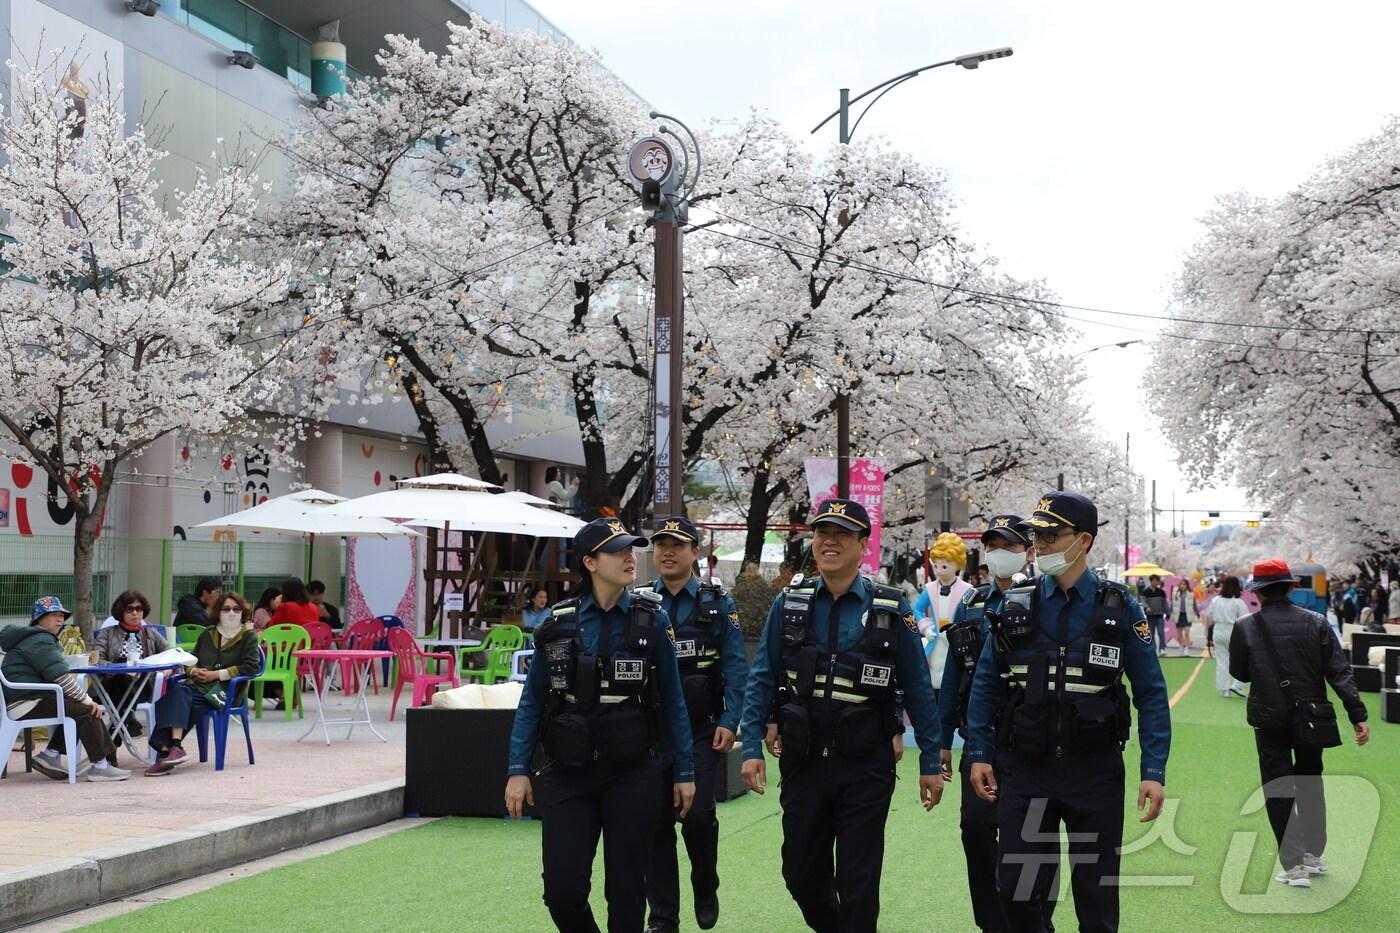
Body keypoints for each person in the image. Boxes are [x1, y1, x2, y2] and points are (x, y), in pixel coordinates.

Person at [966, 491, 1171, 932]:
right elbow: (986, 683)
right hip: (1026, 768)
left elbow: (1151, 693)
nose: (1039, 543)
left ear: (1084, 541)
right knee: (1016, 892)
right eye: (1036, 534)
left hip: (1093, 771)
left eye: (1051, 534)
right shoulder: (1015, 604)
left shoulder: (1119, 608)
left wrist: (1153, 770)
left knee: (1096, 903)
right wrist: (980, 752)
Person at [739, 498, 945, 932]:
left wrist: (929, 759)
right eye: (821, 533)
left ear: (862, 544)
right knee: (800, 873)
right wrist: (751, 745)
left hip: (865, 763)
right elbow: (762, 676)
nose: (829, 541)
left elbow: (918, 688)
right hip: (804, 760)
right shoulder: (788, 603)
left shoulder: (891, 609)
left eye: (842, 534)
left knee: (858, 880)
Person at [504, 518, 696, 933]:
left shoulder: (652, 619)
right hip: (566, 771)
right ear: (590, 562)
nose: (631, 558)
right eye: (618, 551)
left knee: (627, 893)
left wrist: (684, 772)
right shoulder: (558, 622)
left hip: (634, 771)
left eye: (631, 550)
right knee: (563, 891)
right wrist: (518, 769)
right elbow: (532, 700)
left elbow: (674, 701)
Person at [937, 515, 1055, 933]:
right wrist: (942, 739)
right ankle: (993, 924)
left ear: (1028, 550)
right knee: (976, 830)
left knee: (1034, 838)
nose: (998, 553)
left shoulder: (1045, 600)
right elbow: (954, 675)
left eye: (1008, 545)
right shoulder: (970, 604)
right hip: (981, 741)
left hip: (1032, 740)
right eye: (991, 546)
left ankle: (1037, 920)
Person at [1229, 559, 1369, 887]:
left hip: (1269, 716)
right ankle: (1313, 853)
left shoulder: (1245, 626)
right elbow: (1339, 671)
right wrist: (1357, 714)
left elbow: (1241, 673)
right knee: (1310, 781)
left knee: (1278, 787)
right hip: (1312, 717)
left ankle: (1293, 867)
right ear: (1291, 587)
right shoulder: (1317, 623)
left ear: (1257, 593)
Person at [640, 516, 748, 933]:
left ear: (695, 552)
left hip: (703, 730)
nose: (667, 552)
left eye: (678, 545)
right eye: (661, 545)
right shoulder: (641, 603)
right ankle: (663, 917)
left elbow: (736, 666)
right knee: (654, 827)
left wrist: (731, 718)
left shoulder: (717, 602)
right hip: (650, 735)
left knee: (699, 817)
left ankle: (705, 883)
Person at [1, 597, 129, 781]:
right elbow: (60, 677)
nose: (60, 619)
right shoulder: (40, 640)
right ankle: (100, 766)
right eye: (54, 615)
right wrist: (88, 700)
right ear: (39, 619)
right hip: (26, 702)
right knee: (87, 711)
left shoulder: (33, 638)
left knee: (75, 707)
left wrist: (81, 699)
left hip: (26, 699)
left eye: (62, 616)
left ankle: (51, 755)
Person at [146, 591, 263, 776]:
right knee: (178, 691)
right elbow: (190, 660)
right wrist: (194, 671)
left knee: (180, 695)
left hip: (226, 692)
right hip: (199, 687)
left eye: (236, 609)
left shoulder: (248, 636)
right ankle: (174, 748)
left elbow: (251, 667)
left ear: (242, 612)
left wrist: (216, 675)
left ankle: (164, 750)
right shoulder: (208, 634)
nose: (231, 613)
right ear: (218, 612)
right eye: (226, 609)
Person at [90, 590, 170, 745]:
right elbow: (97, 658)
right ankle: (128, 720)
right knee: (121, 678)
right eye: (130, 609)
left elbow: (170, 652)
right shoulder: (107, 633)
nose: (135, 613)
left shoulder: (150, 633)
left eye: (138, 609)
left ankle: (117, 729)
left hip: (142, 687)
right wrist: (117, 669)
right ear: (121, 611)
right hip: (109, 685)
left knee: (125, 683)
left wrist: (167, 668)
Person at [1209, 577, 1249, 698]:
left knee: (1222, 661)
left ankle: (1224, 689)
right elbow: (1245, 619)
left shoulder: (1216, 600)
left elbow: (1210, 615)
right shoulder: (1238, 602)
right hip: (1234, 632)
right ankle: (1238, 685)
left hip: (1218, 631)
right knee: (1244, 660)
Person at [1140, 574, 1168, 657]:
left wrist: (1168, 612)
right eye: (1153, 581)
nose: (1155, 582)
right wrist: (1147, 607)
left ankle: (1162, 649)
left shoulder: (1161, 592)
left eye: (1157, 581)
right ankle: (1153, 649)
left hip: (1159, 615)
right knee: (1151, 634)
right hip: (1150, 616)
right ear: (1151, 581)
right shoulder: (1145, 592)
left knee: (1161, 633)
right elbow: (1143, 601)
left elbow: (1165, 603)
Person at [1172, 578, 1196, 655]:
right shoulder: (1176, 594)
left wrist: (1197, 613)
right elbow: (1172, 605)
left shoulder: (1191, 594)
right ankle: (1181, 646)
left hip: (1187, 615)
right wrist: (1169, 614)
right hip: (1178, 616)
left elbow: (1194, 604)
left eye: (1184, 584)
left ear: (1187, 585)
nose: (1182, 586)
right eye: (1181, 584)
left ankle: (1186, 649)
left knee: (1186, 632)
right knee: (1179, 635)